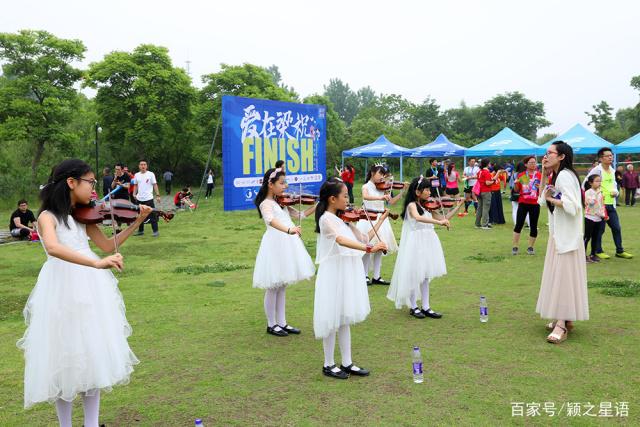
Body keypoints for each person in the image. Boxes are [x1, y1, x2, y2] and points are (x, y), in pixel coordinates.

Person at [16, 159, 152, 426]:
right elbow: (54, 249)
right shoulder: (47, 217)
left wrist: (138, 221)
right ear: (71, 182)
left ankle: (92, 423)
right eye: (89, 182)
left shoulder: (83, 214)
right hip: (61, 287)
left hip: (90, 289)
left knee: (92, 353)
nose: (93, 189)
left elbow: (107, 245)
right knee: (63, 357)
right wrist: (95, 263)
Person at [314, 178, 388, 379]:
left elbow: (363, 239)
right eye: (345, 196)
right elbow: (341, 240)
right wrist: (369, 249)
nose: (348, 200)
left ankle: (347, 362)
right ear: (332, 199)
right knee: (331, 318)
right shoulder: (327, 219)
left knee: (345, 317)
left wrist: (378, 222)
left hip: (347, 271)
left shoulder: (343, 219)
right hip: (334, 272)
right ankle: (328, 363)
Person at [253, 167, 317, 337]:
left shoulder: (282, 202)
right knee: (273, 286)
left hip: (287, 244)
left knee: (282, 286)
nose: (285, 186)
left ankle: (282, 322)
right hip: (275, 245)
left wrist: (318, 205)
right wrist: (289, 230)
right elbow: (271, 221)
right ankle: (271, 324)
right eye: (281, 183)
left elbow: (300, 215)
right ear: (270, 184)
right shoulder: (266, 204)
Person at [536, 141, 588, 344]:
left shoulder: (565, 176)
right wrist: (542, 173)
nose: (545, 156)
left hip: (567, 237)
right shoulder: (555, 175)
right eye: (546, 153)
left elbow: (573, 205)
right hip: (559, 234)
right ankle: (565, 318)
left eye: (550, 153)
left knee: (564, 278)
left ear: (561, 156)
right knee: (559, 275)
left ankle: (561, 325)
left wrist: (552, 200)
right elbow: (541, 198)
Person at [387, 176, 454, 319]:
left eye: (430, 189)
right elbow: (418, 217)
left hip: (428, 242)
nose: (429, 192)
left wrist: (459, 205)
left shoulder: (428, 205)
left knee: (425, 276)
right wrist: (439, 222)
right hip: (416, 242)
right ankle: (413, 306)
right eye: (427, 189)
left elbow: (444, 217)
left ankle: (426, 306)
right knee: (414, 275)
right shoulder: (412, 205)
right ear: (418, 192)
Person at [584, 148, 633, 259]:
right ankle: (598, 250)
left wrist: (615, 193)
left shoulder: (612, 170)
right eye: (607, 156)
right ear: (601, 158)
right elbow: (586, 184)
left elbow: (614, 185)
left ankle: (619, 251)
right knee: (600, 230)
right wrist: (592, 196)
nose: (610, 157)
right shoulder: (596, 170)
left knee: (617, 228)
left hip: (611, 205)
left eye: (611, 155)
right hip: (600, 207)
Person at [358, 164, 402, 285]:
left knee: (380, 248)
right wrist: (382, 197)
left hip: (381, 219)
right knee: (368, 247)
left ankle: (376, 276)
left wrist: (401, 192)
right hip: (369, 219)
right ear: (372, 173)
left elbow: (391, 201)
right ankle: (365, 275)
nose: (382, 177)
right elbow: (365, 196)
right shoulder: (366, 186)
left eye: (383, 175)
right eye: (380, 174)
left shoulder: (382, 188)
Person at [512, 156, 541, 256]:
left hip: (535, 203)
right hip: (523, 202)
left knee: (533, 226)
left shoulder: (539, 175)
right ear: (526, 164)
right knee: (519, 225)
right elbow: (516, 190)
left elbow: (543, 190)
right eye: (531, 163)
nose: (533, 164)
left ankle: (530, 247)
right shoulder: (522, 175)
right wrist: (516, 184)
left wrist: (539, 187)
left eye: (534, 162)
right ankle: (515, 247)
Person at [133, 160, 162, 237]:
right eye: (141, 164)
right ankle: (140, 231)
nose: (143, 166)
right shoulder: (136, 175)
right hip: (139, 199)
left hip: (149, 199)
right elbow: (135, 185)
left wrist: (158, 195)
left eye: (144, 164)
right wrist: (134, 193)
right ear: (139, 166)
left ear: (146, 166)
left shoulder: (150, 174)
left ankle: (155, 231)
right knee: (140, 216)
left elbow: (155, 185)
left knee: (152, 215)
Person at [583, 174, 607, 264]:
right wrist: (595, 196)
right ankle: (583, 255)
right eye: (597, 181)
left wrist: (604, 214)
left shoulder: (600, 192)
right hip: (590, 217)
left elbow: (601, 205)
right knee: (587, 237)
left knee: (596, 237)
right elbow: (590, 203)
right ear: (590, 183)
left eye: (600, 181)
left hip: (599, 217)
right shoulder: (588, 192)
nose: (599, 183)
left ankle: (593, 254)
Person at [475, 158, 495, 229]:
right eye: (489, 163)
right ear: (487, 164)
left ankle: (477, 224)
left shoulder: (480, 171)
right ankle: (485, 224)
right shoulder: (486, 172)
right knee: (486, 208)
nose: (490, 164)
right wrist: (493, 181)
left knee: (479, 208)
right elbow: (487, 182)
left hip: (480, 191)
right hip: (486, 191)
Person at [510, 162, 529, 226]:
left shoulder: (514, 175)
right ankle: (528, 223)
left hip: (514, 193)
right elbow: (526, 186)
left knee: (515, 209)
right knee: (527, 210)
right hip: (523, 194)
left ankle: (516, 223)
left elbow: (511, 185)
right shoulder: (525, 175)